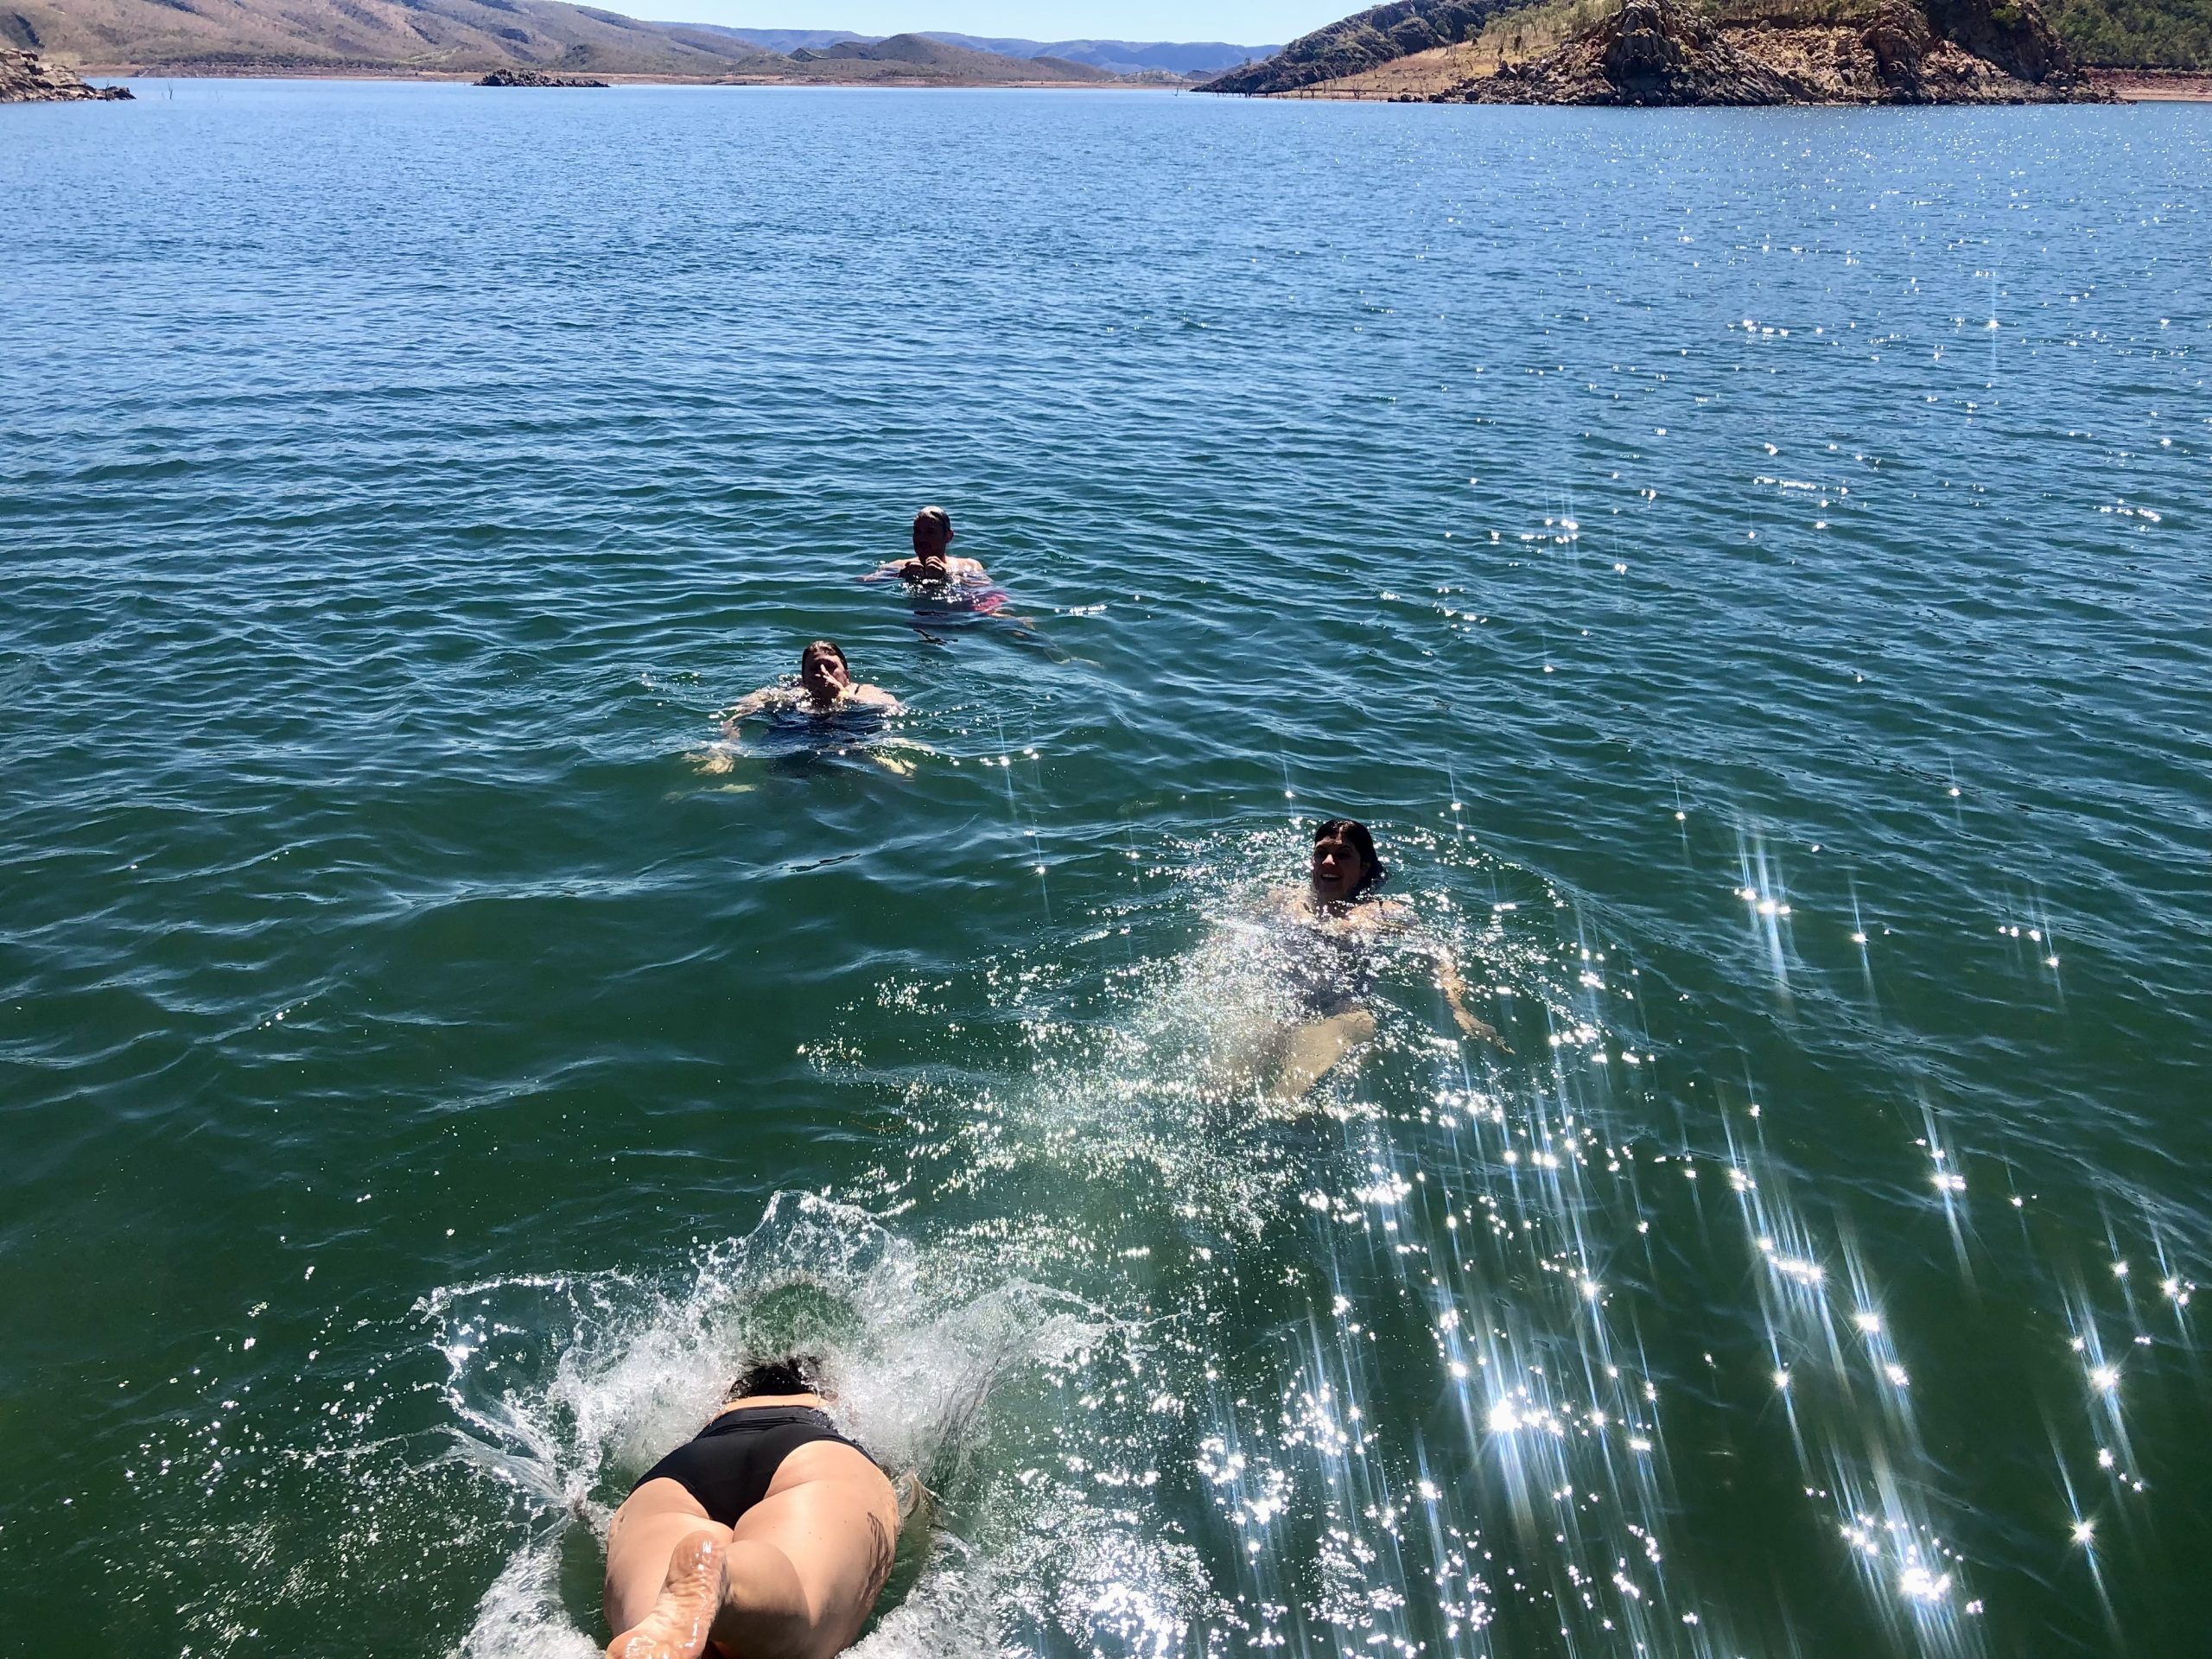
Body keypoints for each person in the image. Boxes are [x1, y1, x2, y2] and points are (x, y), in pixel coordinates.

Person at [605, 1355, 901, 1659]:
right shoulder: (830, 1407)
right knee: (803, 1607)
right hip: (809, 1451)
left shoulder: (718, 1414)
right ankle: (724, 1582)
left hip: (685, 1467)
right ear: (825, 1392)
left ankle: (672, 1613)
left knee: (651, 1617)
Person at [1253, 818, 1503, 1098]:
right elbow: (1232, 931)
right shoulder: (1284, 900)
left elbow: (1440, 955)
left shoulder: (1382, 914)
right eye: (1321, 853)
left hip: (1342, 1012)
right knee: (1218, 1090)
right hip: (1278, 1008)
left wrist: (1458, 1007)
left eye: (1343, 855)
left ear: (1363, 867)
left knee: (1285, 1098)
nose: (1328, 862)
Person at [720, 641, 900, 738]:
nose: (822, 673)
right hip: (799, 734)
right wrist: (730, 737)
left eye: (830, 667)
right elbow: (743, 708)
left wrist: (842, 696)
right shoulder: (794, 692)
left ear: (847, 674)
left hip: (852, 732)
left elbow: (893, 708)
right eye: (815, 668)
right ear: (804, 677)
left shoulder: (862, 691)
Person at [864, 506, 988, 587]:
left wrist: (948, 576)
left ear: (948, 536)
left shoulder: (969, 565)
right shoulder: (898, 566)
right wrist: (900, 576)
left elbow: (990, 593)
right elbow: (861, 583)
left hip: (963, 613)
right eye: (917, 531)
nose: (921, 539)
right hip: (918, 615)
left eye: (930, 532)